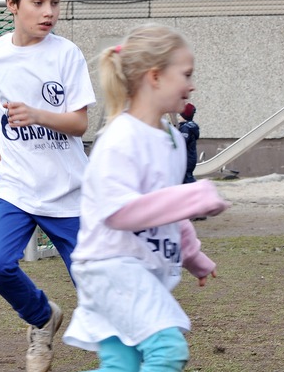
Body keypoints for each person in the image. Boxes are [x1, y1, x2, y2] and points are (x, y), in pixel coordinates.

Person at [63, 24, 230, 370]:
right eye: (185, 74)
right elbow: (119, 213)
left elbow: (165, 207)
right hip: (110, 267)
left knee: (122, 365)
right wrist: (194, 197)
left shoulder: (171, 137)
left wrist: (193, 255)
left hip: (134, 268)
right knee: (167, 350)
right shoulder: (121, 138)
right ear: (154, 76)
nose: (191, 84)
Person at [0, 0, 96, 372]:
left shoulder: (67, 54)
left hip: (68, 191)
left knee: (98, 294)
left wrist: (39, 114)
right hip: (18, 187)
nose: (49, 12)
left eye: (55, 3)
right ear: (12, 3)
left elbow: (80, 123)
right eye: (39, 2)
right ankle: (42, 318)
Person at [179, 102, 200, 184]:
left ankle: (196, 193)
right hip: (190, 159)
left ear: (184, 117)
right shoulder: (191, 127)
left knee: (186, 180)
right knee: (187, 178)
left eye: (180, 115)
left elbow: (181, 144)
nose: (178, 117)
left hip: (186, 160)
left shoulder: (185, 129)